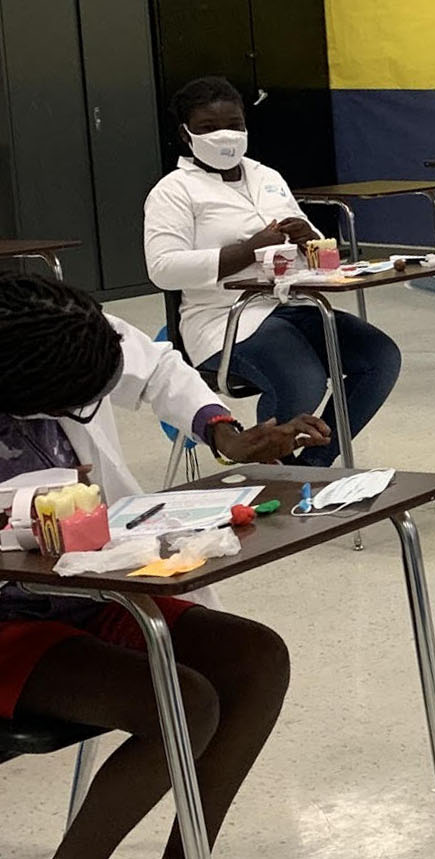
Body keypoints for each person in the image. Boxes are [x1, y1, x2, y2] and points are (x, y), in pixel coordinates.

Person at [0, 272, 324, 859]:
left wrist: (224, 433)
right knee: (185, 703)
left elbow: (148, 367)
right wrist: (25, 511)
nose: (79, 414)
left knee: (257, 659)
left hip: (84, 592)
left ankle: (190, 853)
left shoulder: (45, 324)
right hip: (8, 621)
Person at [143, 76, 402, 468]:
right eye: (209, 128)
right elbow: (162, 269)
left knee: (380, 357)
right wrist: (249, 248)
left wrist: (308, 239)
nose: (225, 135)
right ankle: (271, 468)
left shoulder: (266, 177)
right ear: (185, 135)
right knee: (303, 379)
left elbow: (318, 254)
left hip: (292, 304)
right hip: (224, 319)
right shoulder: (174, 191)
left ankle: (307, 469)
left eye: (234, 124)